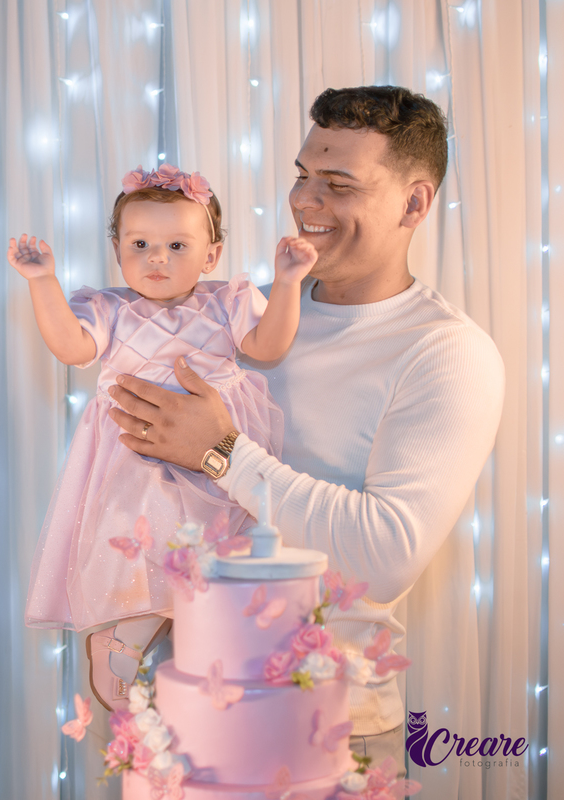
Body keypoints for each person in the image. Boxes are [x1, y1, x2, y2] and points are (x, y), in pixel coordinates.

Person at [106, 87, 504, 769]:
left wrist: (222, 454)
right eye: (302, 176)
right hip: (183, 707)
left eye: (337, 184)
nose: (305, 202)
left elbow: (381, 559)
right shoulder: (250, 314)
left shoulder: (447, 353)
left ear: (414, 204)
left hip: (326, 727)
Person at [8, 166, 317, 710]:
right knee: (147, 539)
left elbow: (267, 346)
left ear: (211, 255)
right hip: (140, 448)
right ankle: (126, 631)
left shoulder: (228, 300)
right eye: (141, 243)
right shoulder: (109, 308)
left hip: (221, 445)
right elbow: (72, 348)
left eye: (177, 245)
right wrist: (42, 283)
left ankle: (214, 653)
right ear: (117, 248)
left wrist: (287, 282)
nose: (157, 257)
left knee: (224, 550)